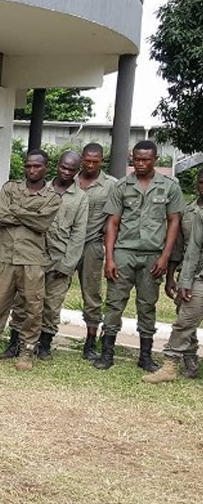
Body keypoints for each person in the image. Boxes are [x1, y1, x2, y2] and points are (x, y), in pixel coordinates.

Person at [95, 140, 185, 372]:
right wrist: (111, 257)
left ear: (155, 159)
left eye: (146, 159)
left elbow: (174, 221)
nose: (141, 163)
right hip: (124, 253)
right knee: (114, 303)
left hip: (153, 255)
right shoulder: (122, 186)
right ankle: (107, 352)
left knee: (147, 305)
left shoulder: (169, 187)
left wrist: (165, 256)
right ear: (132, 159)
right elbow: (112, 222)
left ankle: (145, 356)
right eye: (137, 159)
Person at [0, 151, 88, 360]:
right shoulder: (39, 186)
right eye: (63, 167)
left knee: (51, 305)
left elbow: (78, 234)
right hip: (30, 255)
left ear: (77, 171)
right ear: (55, 166)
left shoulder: (80, 198)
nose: (66, 172)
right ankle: (15, 344)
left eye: (71, 169)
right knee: (23, 303)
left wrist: (66, 265)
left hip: (58, 258)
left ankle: (44, 345)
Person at [0, 150, 61, 371]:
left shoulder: (52, 198)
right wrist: (30, 214)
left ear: (45, 168)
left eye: (37, 166)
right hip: (5, 256)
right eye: (28, 166)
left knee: (33, 307)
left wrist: (16, 210)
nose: (32, 170)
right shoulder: (10, 188)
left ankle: (26, 350)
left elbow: (42, 223)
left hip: (32, 259)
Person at [144, 173, 203, 383]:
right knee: (186, 318)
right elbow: (182, 248)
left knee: (185, 320)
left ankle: (178, 361)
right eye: (202, 182)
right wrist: (175, 278)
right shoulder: (189, 210)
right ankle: (182, 363)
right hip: (194, 274)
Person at [74, 143, 118, 360]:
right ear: (82, 158)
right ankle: (44, 339)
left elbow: (114, 218)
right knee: (51, 290)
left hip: (91, 245)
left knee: (91, 294)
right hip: (64, 245)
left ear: (102, 160)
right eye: (87, 160)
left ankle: (90, 342)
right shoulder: (69, 178)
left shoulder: (111, 185)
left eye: (95, 161)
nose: (90, 165)